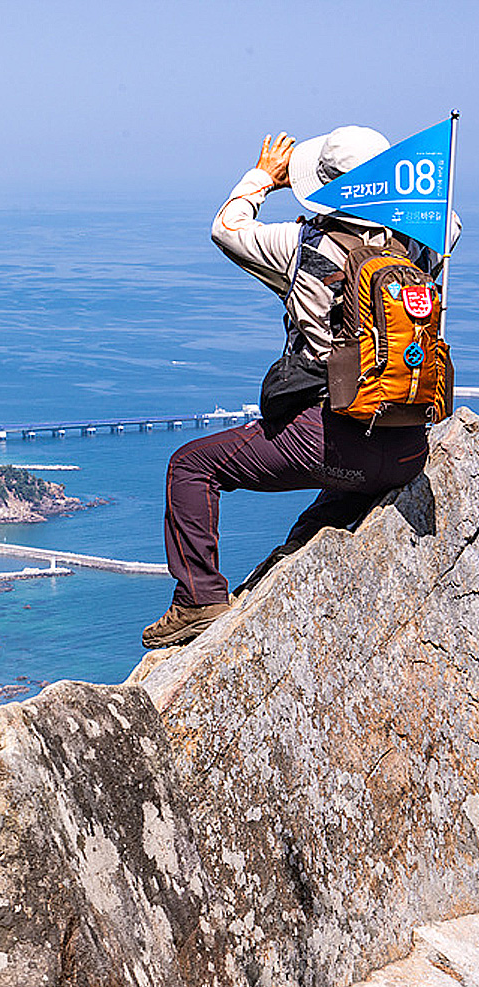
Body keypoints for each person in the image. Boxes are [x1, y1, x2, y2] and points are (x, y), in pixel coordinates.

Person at [141, 126, 459, 648]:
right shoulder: (427, 243)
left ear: (327, 187)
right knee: (318, 520)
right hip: (406, 450)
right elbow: (449, 220)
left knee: (190, 465)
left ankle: (199, 599)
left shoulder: (301, 246)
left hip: (326, 441)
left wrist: (266, 178)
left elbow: (227, 228)